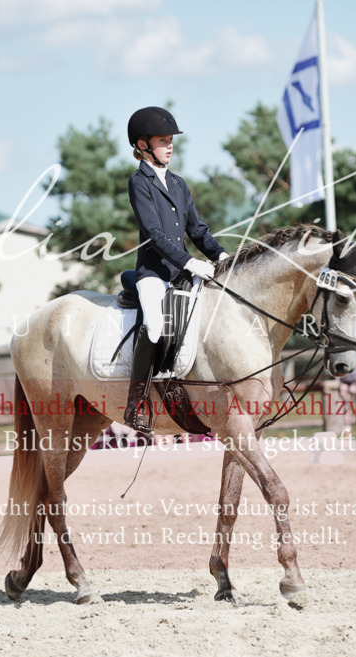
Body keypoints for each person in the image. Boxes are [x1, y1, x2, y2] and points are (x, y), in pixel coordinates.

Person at [123, 106, 228, 433]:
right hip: (153, 273)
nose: (169, 146)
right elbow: (153, 234)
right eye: (162, 141)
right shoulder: (139, 182)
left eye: (171, 140)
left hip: (182, 273)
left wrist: (222, 255)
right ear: (143, 145)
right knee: (155, 327)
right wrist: (189, 261)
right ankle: (135, 403)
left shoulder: (179, 184)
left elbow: (198, 230)